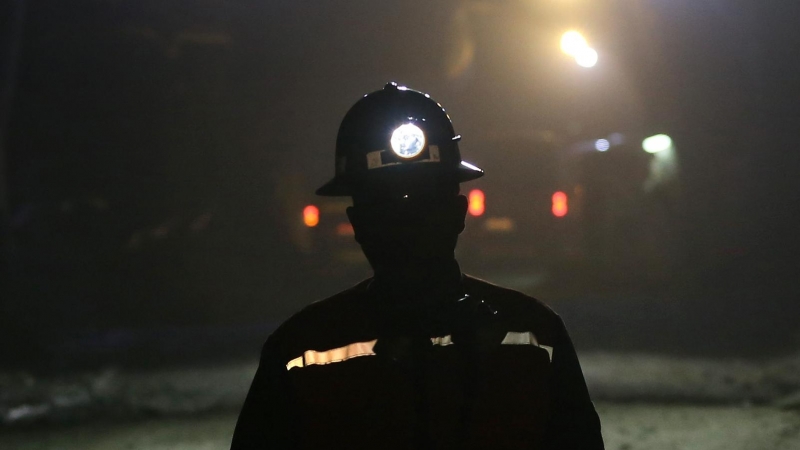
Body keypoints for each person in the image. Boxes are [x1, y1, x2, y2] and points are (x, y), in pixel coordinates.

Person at [231, 82, 604, 449]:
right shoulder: (534, 332)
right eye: (387, 205)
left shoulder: (301, 346)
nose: (407, 221)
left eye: (422, 202)